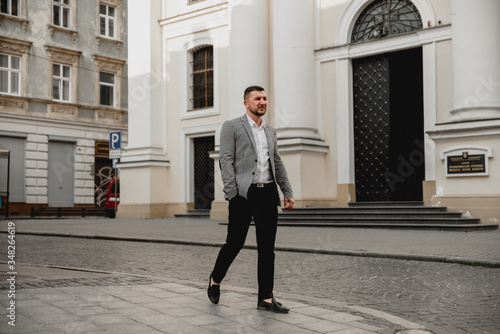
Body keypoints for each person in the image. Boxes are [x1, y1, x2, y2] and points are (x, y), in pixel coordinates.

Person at [207, 85, 294, 313]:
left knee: (267, 249)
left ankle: (265, 298)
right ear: (247, 103)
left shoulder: (271, 131)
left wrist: (287, 191)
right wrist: (232, 193)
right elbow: (225, 160)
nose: (262, 102)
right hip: (244, 195)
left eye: (265, 98)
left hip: (268, 194)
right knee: (235, 243)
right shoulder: (232, 126)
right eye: (257, 98)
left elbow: (277, 162)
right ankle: (215, 280)